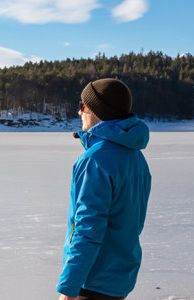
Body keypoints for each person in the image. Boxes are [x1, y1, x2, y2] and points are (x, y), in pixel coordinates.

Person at [57, 78, 152, 300]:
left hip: (92, 283)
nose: (79, 113)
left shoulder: (95, 160)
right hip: (119, 279)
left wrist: (68, 290)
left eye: (82, 106)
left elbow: (87, 229)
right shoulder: (136, 157)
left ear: (97, 110)